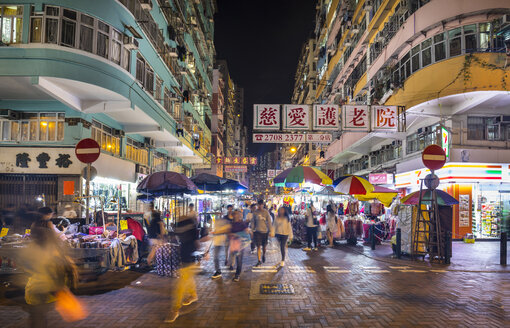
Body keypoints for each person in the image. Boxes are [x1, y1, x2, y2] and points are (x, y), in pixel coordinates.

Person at [21, 214, 79, 328]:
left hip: (36, 289)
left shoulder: (34, 249)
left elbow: (27, 265)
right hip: (43, 288)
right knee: (38, 317)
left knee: (37, 316)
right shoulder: (51, 251)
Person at [165, 213, 200, 323]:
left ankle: (175, 309)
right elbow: (195, 241)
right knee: (187, 279)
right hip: (186, 257)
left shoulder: (187, 225)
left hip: (188, 258)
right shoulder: (187, 225)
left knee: (180, 285)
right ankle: (193, 295)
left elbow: (195, 241)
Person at [229, 210, 251, 282]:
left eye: (238, 214)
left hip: (240, 244)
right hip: (234, 243)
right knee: (234, 257)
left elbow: (246, 231)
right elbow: (229, 233)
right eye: (235, 214)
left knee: (239, 259)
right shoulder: (232, 224)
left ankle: (237, 274)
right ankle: (233, 267)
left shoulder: (242, 223)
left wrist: (248, 231)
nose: (237, 215)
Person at [211, 208, 232, 279]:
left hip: (222, 240)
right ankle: (219, 270)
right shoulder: (215, 221)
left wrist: (217, 232)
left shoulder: (225, 221)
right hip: (217, 241)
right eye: (217, 214)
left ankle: (221, 269)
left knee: (218, 256)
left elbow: (228, 229)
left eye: (219, 214)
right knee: (216, 257)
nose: (218, 215)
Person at [251, 199, 273, 267]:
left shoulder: (266, 212)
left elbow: (269, 222)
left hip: (265, 232)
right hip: (257, 232)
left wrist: (271, 231)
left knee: (264, 246)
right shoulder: (255, 212)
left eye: (261, 204)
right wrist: (252, 230)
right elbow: (253, 222)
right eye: (259, 205)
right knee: (258, 246)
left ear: (263, 205)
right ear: (257, 205)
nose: (260, 206)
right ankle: (259, 260)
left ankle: (263, 255)